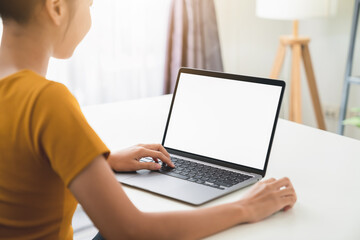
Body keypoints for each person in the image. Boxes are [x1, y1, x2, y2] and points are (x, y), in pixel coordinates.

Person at [0, 0, 297, 239]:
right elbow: (129, 231)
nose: (91, 10)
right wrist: (245, 207)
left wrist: (101, 161)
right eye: (90, 4)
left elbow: (22, 163)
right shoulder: (47, 100)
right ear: (56, 7)